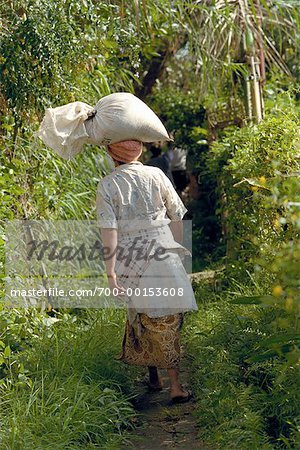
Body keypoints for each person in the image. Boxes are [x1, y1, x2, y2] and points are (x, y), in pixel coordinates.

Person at [96, 140, 198, 404]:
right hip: (163, 249)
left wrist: (111, 272)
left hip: (131, 257)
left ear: (111, 153)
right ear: (140, 150)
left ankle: (154, 377)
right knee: (168, 316)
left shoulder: (107, 185)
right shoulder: (156, 174)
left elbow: (109, 231)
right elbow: (177, 214)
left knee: (140, 314)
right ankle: (175, 385)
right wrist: (175, 246)